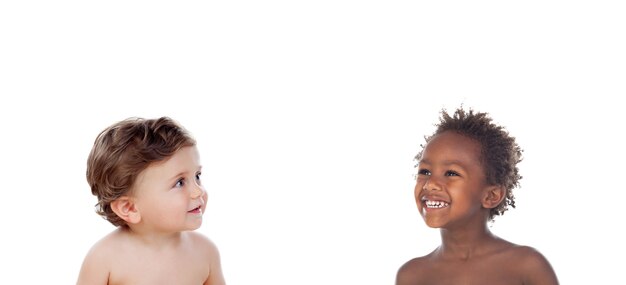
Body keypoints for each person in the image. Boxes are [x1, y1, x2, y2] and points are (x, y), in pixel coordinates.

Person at [396, 107, 558, 285]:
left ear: (491, 196)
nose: (430, 183)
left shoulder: (526, 266)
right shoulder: (412, 276)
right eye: (425, 171)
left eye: (451, 173)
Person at [77, 117, 226, 285]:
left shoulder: (205, 252)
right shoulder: (104, 259)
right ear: (129, 208)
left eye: (197, 176)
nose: (198, 191)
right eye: (180, 182)